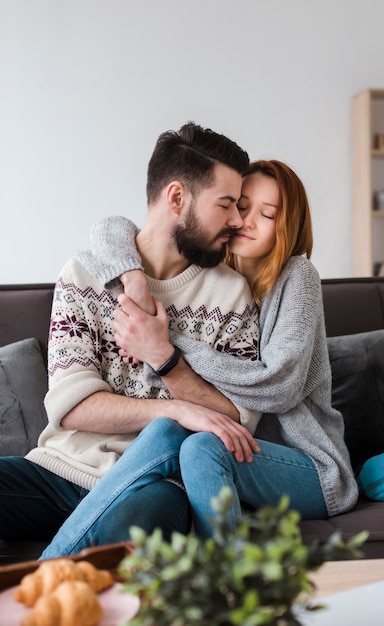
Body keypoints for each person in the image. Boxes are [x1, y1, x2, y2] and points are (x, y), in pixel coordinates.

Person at [40, 159, 358, 557]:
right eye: (241, 206)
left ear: (288, 225)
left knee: (197, 446)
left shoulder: (298, 276)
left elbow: (279, 385)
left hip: (309, 466)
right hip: (238, 457)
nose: (245, 220)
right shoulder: (218, 267)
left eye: (267, 214)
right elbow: (111, 229)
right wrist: (134, 280)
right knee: (178, 436)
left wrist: (165, 345)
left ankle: (224, 585)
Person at [0, 122, 262, 552]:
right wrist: (179, 410)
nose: (236, 221)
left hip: (155, 484)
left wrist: (166, 361)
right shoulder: (84, 275)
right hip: (62, 471)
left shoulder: (230, 295)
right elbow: (72, 407)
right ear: (177, 198)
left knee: (143, 527)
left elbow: (237, 418)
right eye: (226, 204)